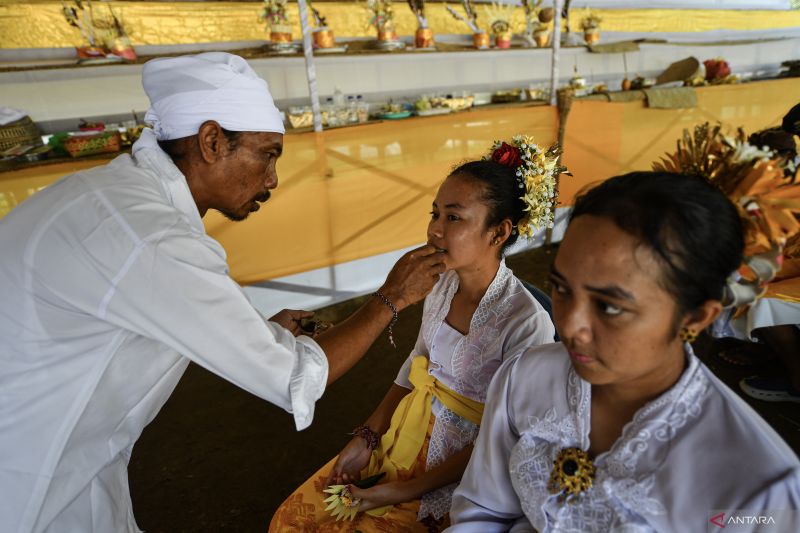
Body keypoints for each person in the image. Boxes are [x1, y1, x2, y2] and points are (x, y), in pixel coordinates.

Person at [0, 52, 445, 533]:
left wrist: (255, 335)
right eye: (268, 154)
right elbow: (292, 378)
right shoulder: (153, 237)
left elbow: (144, 315)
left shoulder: (108, 195)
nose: (273, 178)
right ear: (212, 141)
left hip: (66, 448)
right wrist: (391, 297)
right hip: (32, 469)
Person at [448, 172, 800, 532]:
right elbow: (483, 510)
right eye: (561, 288)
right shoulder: (524, 377)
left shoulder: (759, 488)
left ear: (694, 316)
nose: (569, 326)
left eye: (610, 307)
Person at [269, 138, 560, 532]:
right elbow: (415, 364)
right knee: (289, 521)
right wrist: (367, 437)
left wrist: (400, 492)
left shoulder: (526, 322)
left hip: (460, 472)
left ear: (499, 232)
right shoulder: (438, 285)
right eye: (434, 213)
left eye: (454, 218)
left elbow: (503, 438)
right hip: (403, 435)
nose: (434, 229)